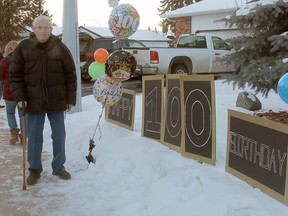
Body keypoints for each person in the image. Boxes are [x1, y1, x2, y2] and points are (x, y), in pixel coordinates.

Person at [9, 15, 77, 186]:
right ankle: (34, 170)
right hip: (32, 101)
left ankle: (58, 167)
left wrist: (70, 99)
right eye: (39, 27)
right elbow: (15, 75)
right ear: (34, 29)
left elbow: (70, 75)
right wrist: (20, 97)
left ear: (51, 29)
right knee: (34, 137)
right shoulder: (23, 47)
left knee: (59, 135)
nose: (43, 30)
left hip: (56, 100)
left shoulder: (60, 47)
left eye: (46, 27)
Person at [0, 41, 23, 144]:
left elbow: (0, 76)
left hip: (8, 92)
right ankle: (24, 136)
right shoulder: (23, 61)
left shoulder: (4, 62)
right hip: (21, 92)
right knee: (22, 114)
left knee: (10, 113)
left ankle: (14, 133)